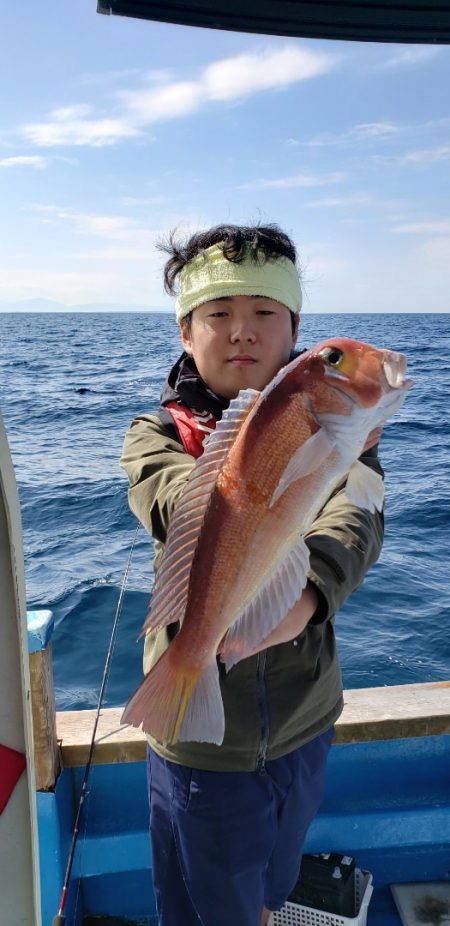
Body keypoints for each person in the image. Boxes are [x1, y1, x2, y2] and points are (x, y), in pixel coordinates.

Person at [120, 224, 384, 926]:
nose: (242, 332)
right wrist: (266, 464)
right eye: (219, 314)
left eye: (265, 314)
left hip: (305, 716)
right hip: (202, 738)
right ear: (185, 331)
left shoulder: (333, 429)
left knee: (272, 880)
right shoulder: (154, 436)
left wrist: (308, 593)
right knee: (210, 899)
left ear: (293, 328)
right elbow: (179, 508)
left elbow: (358, 520)